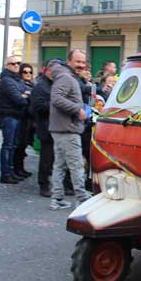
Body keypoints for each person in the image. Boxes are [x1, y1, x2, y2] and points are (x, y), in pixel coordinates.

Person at [49, 52, 92, 210]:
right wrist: (77, 109)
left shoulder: (65, 76)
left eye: (83, 62)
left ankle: (57, 198)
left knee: (60, 166)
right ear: (69, 61)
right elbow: (56, 98)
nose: (81, 65)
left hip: (62, 128)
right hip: (68, 128)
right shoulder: (66, 77)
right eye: (77, 61)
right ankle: (82, 198)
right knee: (76, 165)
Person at [0, 56, 30, 184]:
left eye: (18, 63)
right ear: (7, 66)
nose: (16, 65)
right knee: (8, 146)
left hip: (17, 116)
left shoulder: (17, 79)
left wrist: (25, 95)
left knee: (14, 145)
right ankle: (6, 174)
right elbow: (19, 99)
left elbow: (28, 93)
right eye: (13, 63)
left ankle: (11, 172)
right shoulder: (7, 80)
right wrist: (24, 95)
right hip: (9, 116)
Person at [30, 60, 59, 198]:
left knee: (54, 158)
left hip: (56, 125)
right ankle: (43, 184)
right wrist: (57, 104)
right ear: (47, 70)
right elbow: (38, 106)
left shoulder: (56, 83)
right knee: (46, 158)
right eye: (52, 70)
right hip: (46, 126)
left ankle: (52, 182)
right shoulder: (40, 86)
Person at [13, 63, 35, 179]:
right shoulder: (19, 84)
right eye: (25, 72)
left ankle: (21, 168)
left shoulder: (33, 85)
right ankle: (17, 168)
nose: (28, 74)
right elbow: (22, 99)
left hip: (30, 119)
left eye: (30, 72)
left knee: (24, 144)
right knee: (19, 144)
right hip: (22, 117)